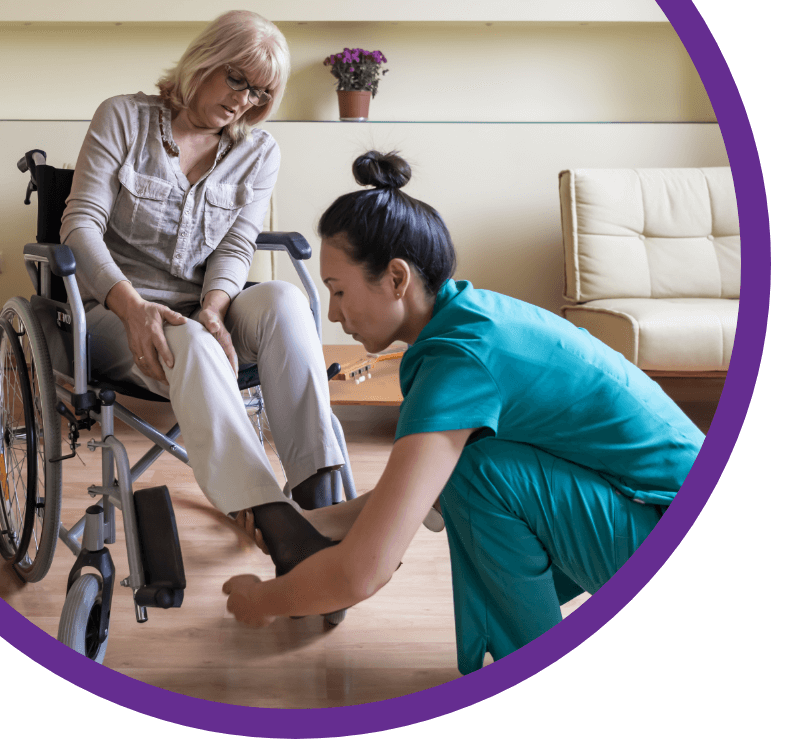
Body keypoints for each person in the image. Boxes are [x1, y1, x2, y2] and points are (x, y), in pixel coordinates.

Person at [223, 150, 706, 674]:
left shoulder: (460, 363)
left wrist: (263, 601)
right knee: (469, 469)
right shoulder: (467, 319)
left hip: (661, 524)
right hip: (650, 512)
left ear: (397, 278)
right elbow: (410, 494)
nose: (334, 314)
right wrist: (308, 520)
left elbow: (364, 572)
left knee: (475, 474)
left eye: (338, 291)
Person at [60, 11, 345, 573]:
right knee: (185, 337)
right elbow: (79, 226)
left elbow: (237, 247)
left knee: (285, 301)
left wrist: (216, 307)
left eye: (261, 92)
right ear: (205, 61)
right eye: (236, 79)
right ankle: (273, 520)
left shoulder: (258, 152)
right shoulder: (123, 118)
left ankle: (319, 494)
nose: (244, 100)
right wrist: (133, 305)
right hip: (115, 310)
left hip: (202, 304)